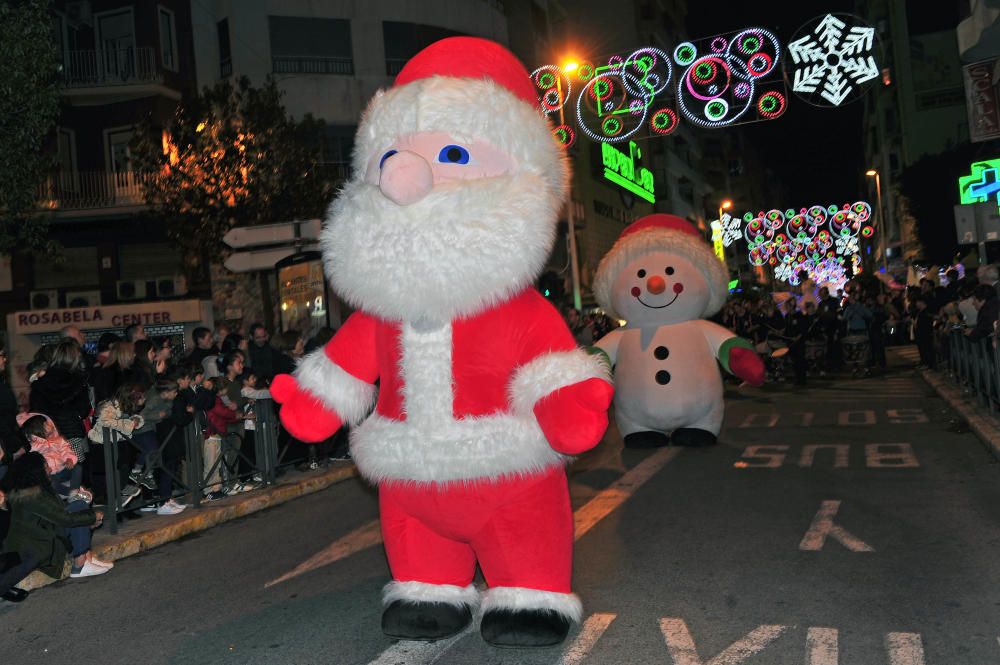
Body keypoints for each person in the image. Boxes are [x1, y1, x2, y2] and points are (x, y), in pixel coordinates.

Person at [0, 452, 110, 590]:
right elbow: (65, 519)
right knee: (78, 508)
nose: (50, 469)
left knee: (78, 507)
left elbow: (61, 511)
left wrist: (89, 520)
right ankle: (80, 564)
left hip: (42, 535)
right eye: (46, 466)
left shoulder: (33, 489)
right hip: (39, 544)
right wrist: (93, 517)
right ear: (35, 471)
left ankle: (87, 557)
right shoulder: (30, 495)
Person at [28, 339, 92, 498]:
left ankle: (61, 507)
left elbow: (35, 411)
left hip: (48, 434)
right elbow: (84, 409)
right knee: (77, 470)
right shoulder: (79, 379)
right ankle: (78, 503)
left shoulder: (40, 381)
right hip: (72, 430)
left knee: (54, 471)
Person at [88, 382, 147, 508]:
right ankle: (115, 498)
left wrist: (136, 420)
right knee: (113, 472)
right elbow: (107, 421)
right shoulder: (108, 406)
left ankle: (121, 493)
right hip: (102, 444)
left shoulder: (123, 405)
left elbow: (131, 417)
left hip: (118, 441)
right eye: (140, 397)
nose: (143, 400)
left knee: (125, 465)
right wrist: (129, 425)